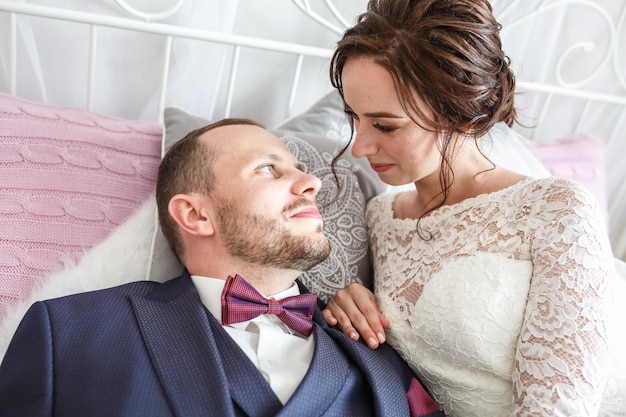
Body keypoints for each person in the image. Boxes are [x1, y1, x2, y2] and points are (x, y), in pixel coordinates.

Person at [0, 118, 445, 417]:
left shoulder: (378, 353)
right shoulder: (68, 331)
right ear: (195, 215)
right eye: (268, 170)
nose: (311, 183)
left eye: (301, 169)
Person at [321, 0, 619, 416]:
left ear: (460, 113)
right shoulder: (379, 218)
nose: (359, 147)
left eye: (385, 125)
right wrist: (345, 306)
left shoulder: (557, 210)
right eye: (353, 117)